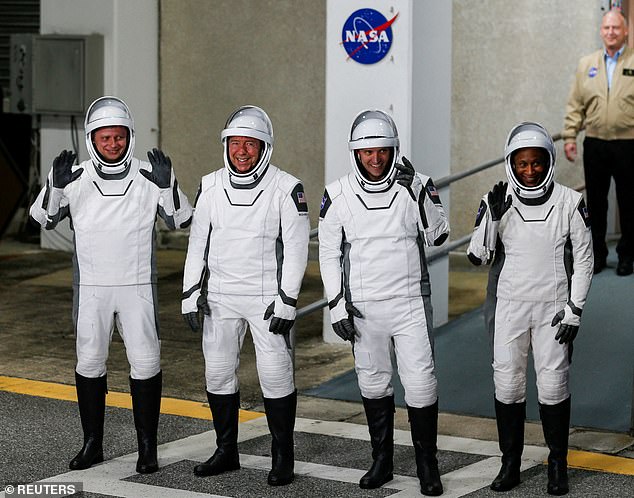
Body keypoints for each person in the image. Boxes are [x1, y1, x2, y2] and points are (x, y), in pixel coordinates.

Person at [29, 96, 193, 474]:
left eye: (119, 137)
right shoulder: (74, 175)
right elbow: (43, 218)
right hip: (92, 288)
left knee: (147, 363)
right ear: (92, 139)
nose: (113, 145)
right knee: (89, 363)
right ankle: (92, 445)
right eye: (105, 138)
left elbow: (179, 219)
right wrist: (55, 185)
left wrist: (168, 186)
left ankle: (147, 449)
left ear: (129, 137)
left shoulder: (149, 175)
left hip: (138, 288)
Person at [318, 109, 449, 496]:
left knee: (422, 385)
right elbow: (328, 253)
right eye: (367, 152)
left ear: (395, 150)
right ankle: (383, 462)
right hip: (363, 307)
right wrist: (337, 305)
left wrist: (417, 195)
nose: (375, 160)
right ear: (355, 153)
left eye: (383, 151)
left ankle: (428, 464)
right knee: (373, 384)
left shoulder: (418, 183)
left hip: (409, 302)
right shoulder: (337, 193)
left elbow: (440, 236)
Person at [182, 105, 309, 486]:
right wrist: (190, 292)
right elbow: (196, 242)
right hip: (219, 296)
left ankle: (282, 457)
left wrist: (288, 299)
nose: (241, 151)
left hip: (266, 297)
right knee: (218, 374)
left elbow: (299, 248)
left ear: (264, 148)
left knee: (275, 376)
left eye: (250, 144)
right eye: (235, 143)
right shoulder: (210, 184)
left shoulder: (287, 188)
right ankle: (226, 451)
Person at [467, 122, 593, 495]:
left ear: (549, 162)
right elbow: (477, 256)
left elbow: (585, 260)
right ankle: (511, 463)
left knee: (553, 388)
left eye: (537, 163)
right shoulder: (496, 201)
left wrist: (575, 308)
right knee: (507, 386)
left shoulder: (571, 202)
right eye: (522, 163)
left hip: (554, 308)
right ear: (510, 163)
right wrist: (491, 218)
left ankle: (557, 464)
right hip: (510, 308)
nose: (530, 170)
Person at [563, 8, 634, 276]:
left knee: (629, 202)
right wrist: (570, 135)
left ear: (625, 31)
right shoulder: (587, 64)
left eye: (616, 28)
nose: (611, 32)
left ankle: (627, 256)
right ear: (601, 31)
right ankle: (598, 255)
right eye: (606, 28)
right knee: (595, 203)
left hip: (629, 144)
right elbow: (575, 105)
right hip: (595, 144)